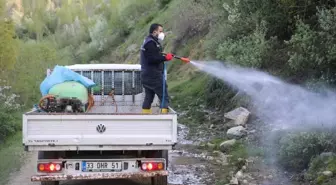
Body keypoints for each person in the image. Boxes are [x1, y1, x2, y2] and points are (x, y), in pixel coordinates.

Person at [140, 23, 173, 114]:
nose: (163, 33)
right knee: (164, 96)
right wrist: (165, 58)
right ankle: (164, 120)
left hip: (146, 75)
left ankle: (145, 117)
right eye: (161, 31)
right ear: (155, 32)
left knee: (149, 97)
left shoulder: (148, 41)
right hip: (153, 75)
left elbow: (152, 55)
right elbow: (151, 59)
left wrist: (163, 55)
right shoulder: (151, 43)